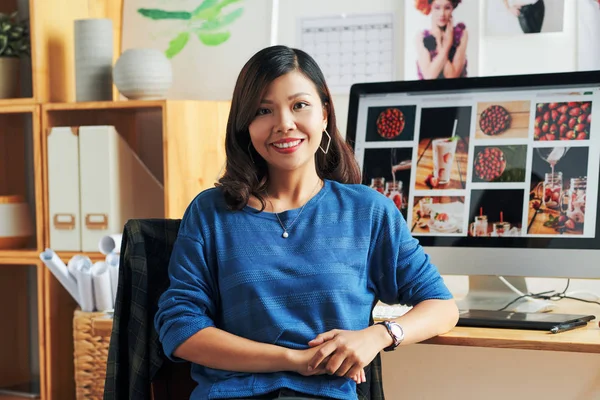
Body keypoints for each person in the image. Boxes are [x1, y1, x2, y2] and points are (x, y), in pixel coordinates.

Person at [154, 45, 459, 400]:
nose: (284, 123)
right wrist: (293, 359)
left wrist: (378, 335)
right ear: (245, 125)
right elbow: (180, 328)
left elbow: (442, 306)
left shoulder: (368, 211)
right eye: (263, 110)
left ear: (325, 114)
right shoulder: (211, 213)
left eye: (299, 105)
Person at [415, 0, 469, 80]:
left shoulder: (461, 34)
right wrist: (443, 44)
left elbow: (452, 77)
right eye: (437, 8)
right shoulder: (421, 37)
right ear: (430, 7)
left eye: (447, 8)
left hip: (456, 92)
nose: (442, 14)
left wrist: (446, 44)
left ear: (453, 8)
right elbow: (429, 77)